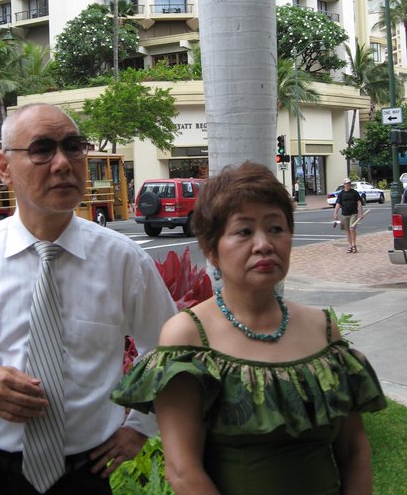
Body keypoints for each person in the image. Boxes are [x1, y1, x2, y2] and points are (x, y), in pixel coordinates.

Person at [0, 103, 176, 495]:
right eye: (42, 150)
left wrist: (141, 428)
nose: (62, 164)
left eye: (73, 147)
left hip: (85, 477)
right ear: (5, 168)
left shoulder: (124, 260)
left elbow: (168, 351)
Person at [112, 162, 386, 495]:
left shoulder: (323, 329)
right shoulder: (187, 337)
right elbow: (183, 471)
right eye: (244, 231)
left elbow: (354, 451)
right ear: (211, 249)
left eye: (276, 228)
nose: (264, 244)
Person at [333, 178, 363, 253]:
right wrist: (335, 213)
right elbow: (338, 204)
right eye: (347, 183)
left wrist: (361, 213)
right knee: (347, 230)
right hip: (344, 214)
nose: (348, 184)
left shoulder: (354, 193)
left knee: (352, 228)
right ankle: (350, 246)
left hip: (353, 213)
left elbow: (359, 203)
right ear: (344, 185)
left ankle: (354, 245)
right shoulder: (341, 194)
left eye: (349, 183)